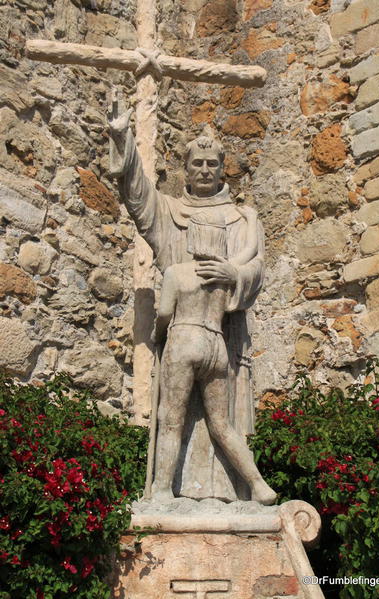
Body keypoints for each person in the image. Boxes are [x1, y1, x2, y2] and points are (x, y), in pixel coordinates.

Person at [108, 93, 265, 501]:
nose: (205, 169)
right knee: (183, 416)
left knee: (219, 418)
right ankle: (173, 489)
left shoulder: (242, 216)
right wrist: (121, 137)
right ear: (186, 169)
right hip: (190, 335)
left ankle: (227, 495)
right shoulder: (171, 210)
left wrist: (234, 273)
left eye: (213, 163)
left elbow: (257, 267)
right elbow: (137, 194)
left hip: (224, 336)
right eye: (197, 163)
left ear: (222, 169)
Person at [151, 209, 276, 504]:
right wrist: (251, 220)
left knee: (171, 420)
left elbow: (166, 313)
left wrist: (158, 334)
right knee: (221, 425)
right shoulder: (223, 273)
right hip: (215, 344)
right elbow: (249, 251)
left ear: (193, 238)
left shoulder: (177, 272)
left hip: (184, 339)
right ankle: (259, 486)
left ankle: (162, 489)